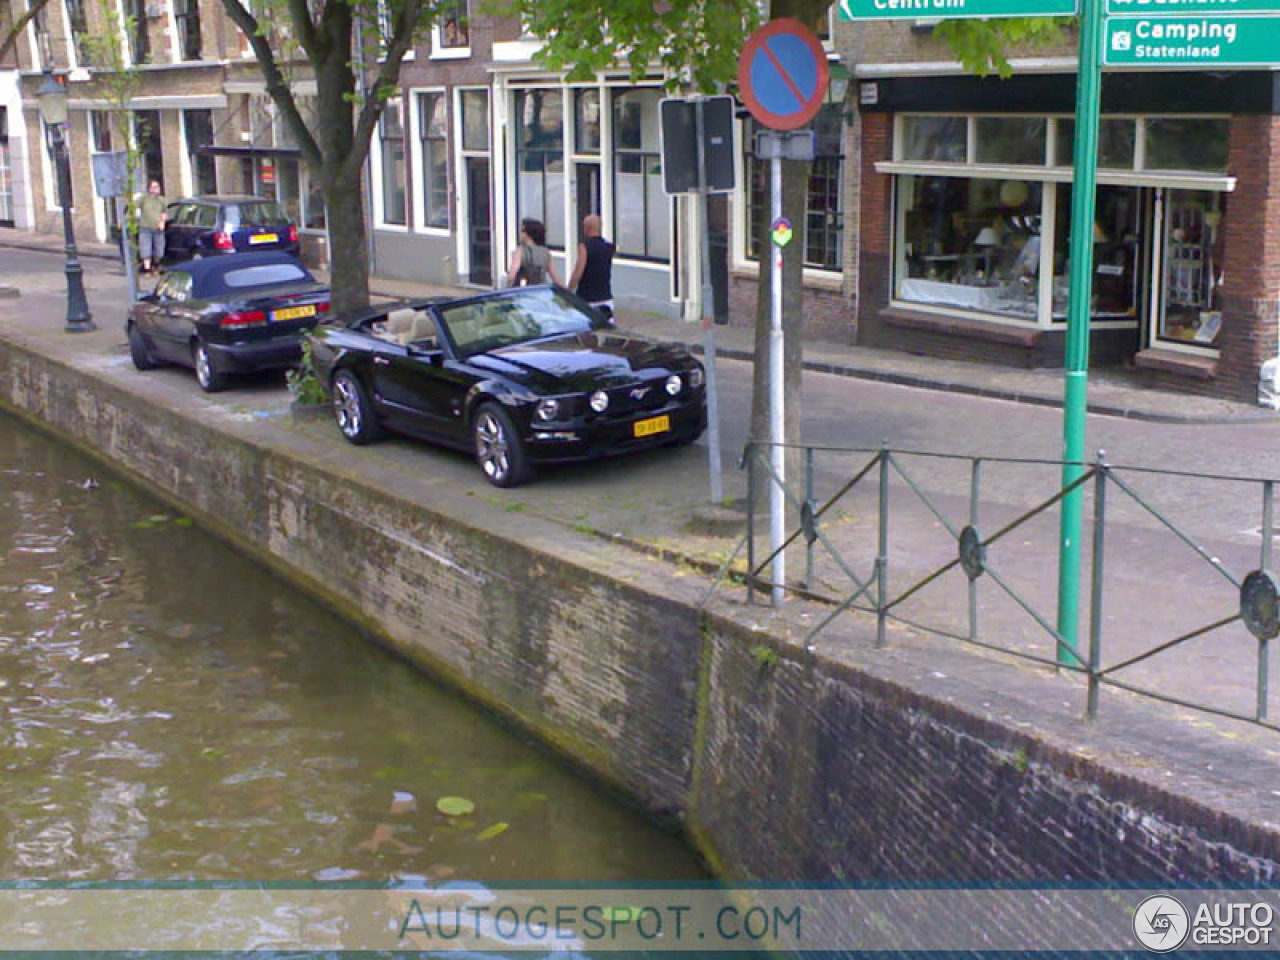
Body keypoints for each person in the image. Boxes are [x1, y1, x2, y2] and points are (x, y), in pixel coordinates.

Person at [568, 213, 615, 321]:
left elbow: (578, 271)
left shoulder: (584, 247)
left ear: (587, 228)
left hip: (587, 297)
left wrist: (569, 290)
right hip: (605, 297)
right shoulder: (609, 247)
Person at [505, 218, 561, 288]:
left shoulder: (520, 251)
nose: (520, 234)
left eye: (523, 231)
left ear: (529, 234)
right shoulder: (545, 253)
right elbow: (556, 278)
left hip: (524, 291)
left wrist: (509, 288)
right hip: (540, 291)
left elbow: (511, 276)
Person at [137, 180, 168, 274]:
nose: (157, 189)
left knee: (159, 249)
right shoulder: (144, 198)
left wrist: (162, 222)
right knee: (145, 248)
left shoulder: (162, 200)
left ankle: (156, 265)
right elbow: (134, 207)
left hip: (158, 229)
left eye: (158, 186)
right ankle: (147, 269)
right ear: (149, 189)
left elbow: (164, 212)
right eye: (154, 187)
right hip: (145, 228)